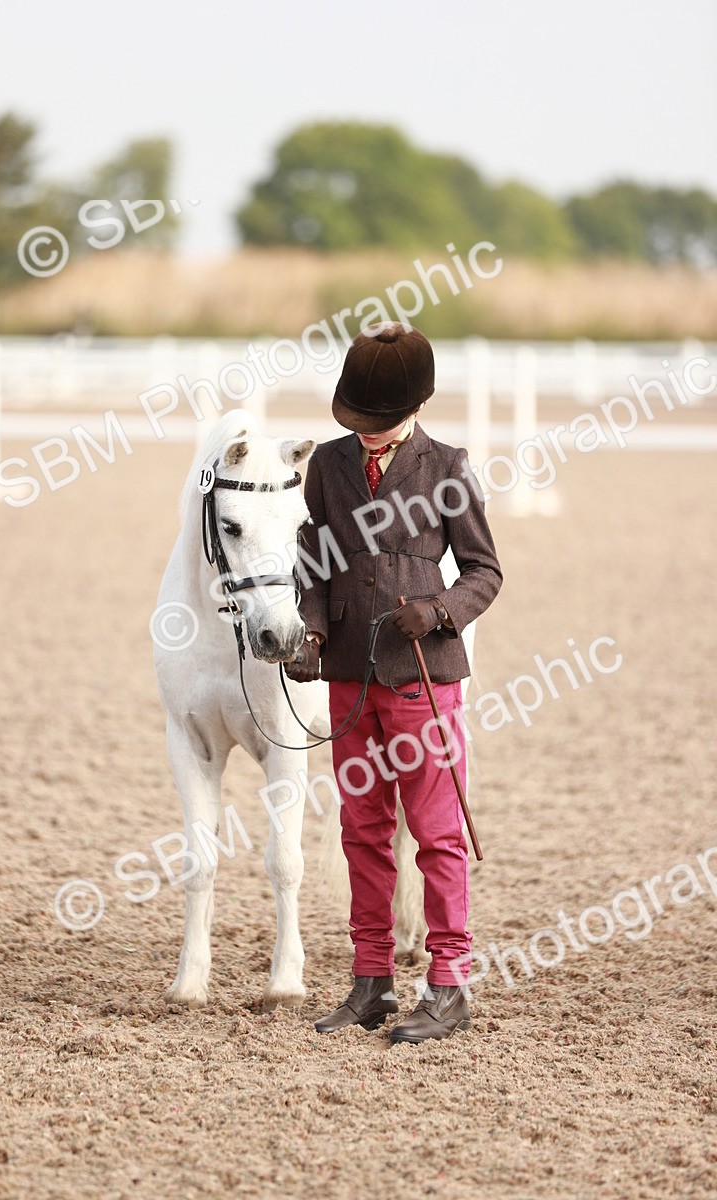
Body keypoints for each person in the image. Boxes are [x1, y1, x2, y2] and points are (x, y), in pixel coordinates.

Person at [285, 321, 502, 1044]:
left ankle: (448, 986)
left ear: (416, 407)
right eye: (361, 424)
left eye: (381, 426)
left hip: (421, 676)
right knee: (362, 830)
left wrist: (438, 610)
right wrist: (312, 629)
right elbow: (311, 559)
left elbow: (485, 572)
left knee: (437, 834)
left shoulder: (448, 467)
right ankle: (371, 980)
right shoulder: (329, 465)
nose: (369, 438)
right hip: (347, 674)